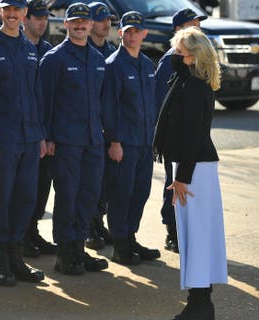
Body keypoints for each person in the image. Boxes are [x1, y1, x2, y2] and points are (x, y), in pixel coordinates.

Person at [153, 26, 227, 320]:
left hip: (194, 169)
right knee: (193, 234)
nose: (173, 56)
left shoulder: (194, 86)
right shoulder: (185, 80)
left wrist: (181, 178)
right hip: (190, 166)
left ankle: (200, 304)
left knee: (197, 235)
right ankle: (199, 302)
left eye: (179, 53)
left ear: (193, 57)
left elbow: (194, 136)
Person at [0, 0, 46, 286]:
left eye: (16, 10)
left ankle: (17, 255)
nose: (11, 14)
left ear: (24, 14)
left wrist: (41, 135)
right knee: (1, 199)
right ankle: (2, 259)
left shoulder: (29, 48)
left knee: (26, 197)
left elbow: (36, 95)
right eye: (7, 9)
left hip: (30, 139)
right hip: (3, 140)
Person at [39, 2, 108, 276]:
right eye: (74, 21)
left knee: (88, 196)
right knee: (68, 196)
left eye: (84, 21)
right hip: (66, 141)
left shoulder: (98, 58)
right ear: (65, 24)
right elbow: (44, 102)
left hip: (93, 142)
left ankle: (80, 249)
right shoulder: (54, 59)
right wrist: (48, 137)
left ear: (91, 25)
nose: (80, 25)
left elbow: (101, 102)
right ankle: (65, 254)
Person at [101, 11, 160, 266]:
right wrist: (114, 141)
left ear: (144, 34)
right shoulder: (114, 65)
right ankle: (120, 245)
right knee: (121, 193)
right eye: (128, 31)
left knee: (141, 191)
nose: (133, 35)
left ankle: (131, 236)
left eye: (137, 31)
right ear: (120, 32)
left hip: (145, 142)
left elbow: (152, 104)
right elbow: (110, 107)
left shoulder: (147, 64)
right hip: (124, 143)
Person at [155, 8, 207, 254]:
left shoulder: (197, 57)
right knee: (173, 183)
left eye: (198, 24)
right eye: (191, 25)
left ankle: (183, 230)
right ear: (178, 30)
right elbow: (164, 99)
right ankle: (172, 231)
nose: (196, 28)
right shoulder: (172, 59)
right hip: (175, 137)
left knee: (186, 184)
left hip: (189, 136)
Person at [21, 0, 57, 259]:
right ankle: (20, 236)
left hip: (43, 131)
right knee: (22, 188)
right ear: (26, 19)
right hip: (21, 132)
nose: (42, 22)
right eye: (37, 17)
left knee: (42, 184)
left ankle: (32, 230)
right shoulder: (20, 47)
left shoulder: (48, 50)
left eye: (45, 17)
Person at [84, 0, 117, 250]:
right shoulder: (83, 50)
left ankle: (99, 222)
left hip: (110, 129)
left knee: (106, 183)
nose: (107, 24)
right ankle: (89, 227)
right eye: (102, 19)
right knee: (89, 182)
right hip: (88, 130)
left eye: (109, 19)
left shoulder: (113, 51)